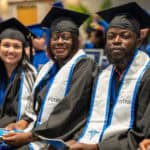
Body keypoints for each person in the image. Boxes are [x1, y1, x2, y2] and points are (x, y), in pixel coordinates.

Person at [2, 7, 99, 149]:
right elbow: (35, 107)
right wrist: (22, 123)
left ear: (75, 40)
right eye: (55, 37)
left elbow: (69, 110)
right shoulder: (48, 68)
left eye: (65, 37)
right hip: (38, 132)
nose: (59, 42)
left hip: (63, 137)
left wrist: (29, 136)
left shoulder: (85, 66)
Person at [62, 2, 150, 150]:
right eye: (111, 36)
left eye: (124, 36)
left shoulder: (146, 77)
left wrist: (97, 147)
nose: (116, 41)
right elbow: (92, 118)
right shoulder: (103, 75)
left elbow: (142, 134)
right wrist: (77, 138)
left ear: (138, 41)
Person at [0, 18, 37, 128]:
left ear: (23, 50)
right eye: (6, 45)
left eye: (16, 46)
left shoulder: (30, 75)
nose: (11, 50)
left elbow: (30, 113)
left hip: (13, 131)